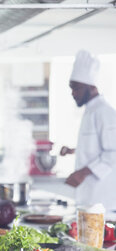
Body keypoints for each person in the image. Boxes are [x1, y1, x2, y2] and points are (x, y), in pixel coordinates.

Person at [60, 50, 116, 210]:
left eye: (76, 88)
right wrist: (74, 151)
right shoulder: (90, 110)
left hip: (104, 199)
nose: (73, 93)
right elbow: (97, 147)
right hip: (90, 197)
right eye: (71, 88)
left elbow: (113, 153)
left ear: (91, 87)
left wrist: (81, 173)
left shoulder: (105, 112)